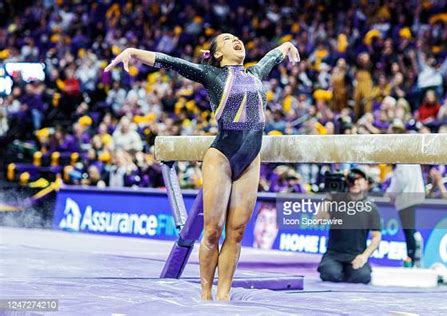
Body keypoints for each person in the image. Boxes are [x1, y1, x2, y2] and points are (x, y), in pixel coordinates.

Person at [105, 33, 300, 301]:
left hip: (251, 158)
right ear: (217, 54)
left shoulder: (255, 72)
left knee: (237, 232)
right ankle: (206, 294)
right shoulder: (212, 76)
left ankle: (224, 294)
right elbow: (171, 62)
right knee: (212, 231)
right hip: (221, 157)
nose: (236, 40)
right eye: (228, 39)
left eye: (237, 38)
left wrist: (287, 47)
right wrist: (133, 52)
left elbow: (274, 54)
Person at [317, 168, 381, 284]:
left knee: (362, 277)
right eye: (352, 179)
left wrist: (364, 256)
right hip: (334, 254)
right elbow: (319, 220)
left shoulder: (371, 208)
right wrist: (328, 197)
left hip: (356, 255)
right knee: (330, 274)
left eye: (358, 179)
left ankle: (348, 271)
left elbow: (376, 237)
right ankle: (341, 271)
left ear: (366, 184)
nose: (355, 182)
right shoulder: (335, 201)